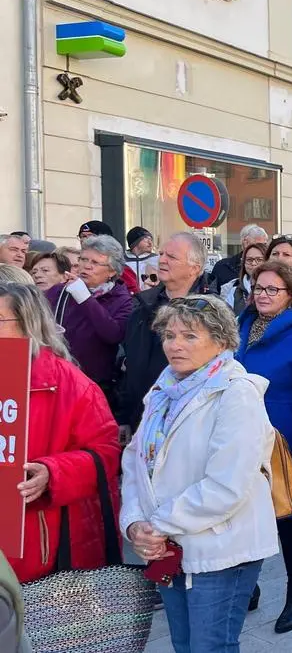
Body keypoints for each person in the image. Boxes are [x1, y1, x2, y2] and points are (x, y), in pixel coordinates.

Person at [120, 294, 278, 651]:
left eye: (190, 336)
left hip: (219, 551)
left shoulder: (236, 394)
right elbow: (135, 462)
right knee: (185, 645)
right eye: (169, 335)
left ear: (221, 341)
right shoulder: (164, 390)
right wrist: (134, 522)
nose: (175, 345)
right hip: (167, 546)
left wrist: (157, 525)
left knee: (210, 647)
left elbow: (226, 486)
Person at [2, 282, 121, 583]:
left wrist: (51, 473)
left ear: (28, 324)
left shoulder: (70, 383)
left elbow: (106, 453)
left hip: (36, 540)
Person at [235, 261, 292, 634]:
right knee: (245, 515)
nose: (263, 295)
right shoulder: (242, 326)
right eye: (259, 287)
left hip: (285, 442)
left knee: (289, 518)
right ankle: (249, 587)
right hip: (243, 437)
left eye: (272, 289)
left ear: (290, 294)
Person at [117, 232, 209, 434]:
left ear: (195, 268)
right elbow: (129, 367)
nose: (162, 260)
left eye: (172, 257)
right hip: (141, 423)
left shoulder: (210, 312)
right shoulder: (141, 307)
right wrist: (124, 417)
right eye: (161, 254)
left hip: (190, 424)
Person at [43, 234, 133, 399]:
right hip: (55, 378)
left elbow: (113, 335)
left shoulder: (123, 300)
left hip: (94, 385)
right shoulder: (58, 291)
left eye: (95, 262)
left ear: (112, 271)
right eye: (84, 259)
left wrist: (84, 298)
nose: (86, 266)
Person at [209, 224, 269, 290]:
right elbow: (213, 294)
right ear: (246, 243)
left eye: (265, 244)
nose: (263, 248)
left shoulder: (271, 267)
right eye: (259, 244)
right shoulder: (222, 267)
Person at [218, 241, 267, 317]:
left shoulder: (277, 288)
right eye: (249, 260)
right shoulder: (233, 290)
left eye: (259, 260)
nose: (253, 263)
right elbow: (226, 319)